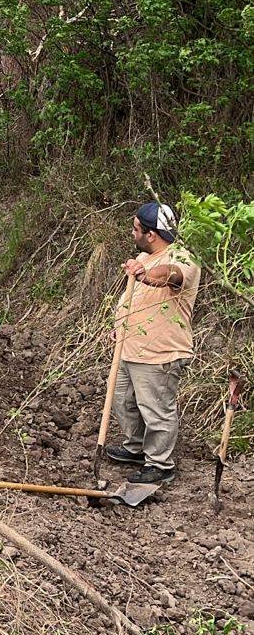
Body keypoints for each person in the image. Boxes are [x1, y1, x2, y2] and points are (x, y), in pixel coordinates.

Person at [107, 201, 201, 484]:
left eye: (136, 228)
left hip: (160, 353)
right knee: (123, 402)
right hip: (129, 348)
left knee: (157, 409)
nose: (132, 233)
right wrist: (119, 325)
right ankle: (136, 447)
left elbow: (172, 275)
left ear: (151, 234)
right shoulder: (145, 257)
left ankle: (160, 464)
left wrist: (146, 276)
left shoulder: (183, 257)